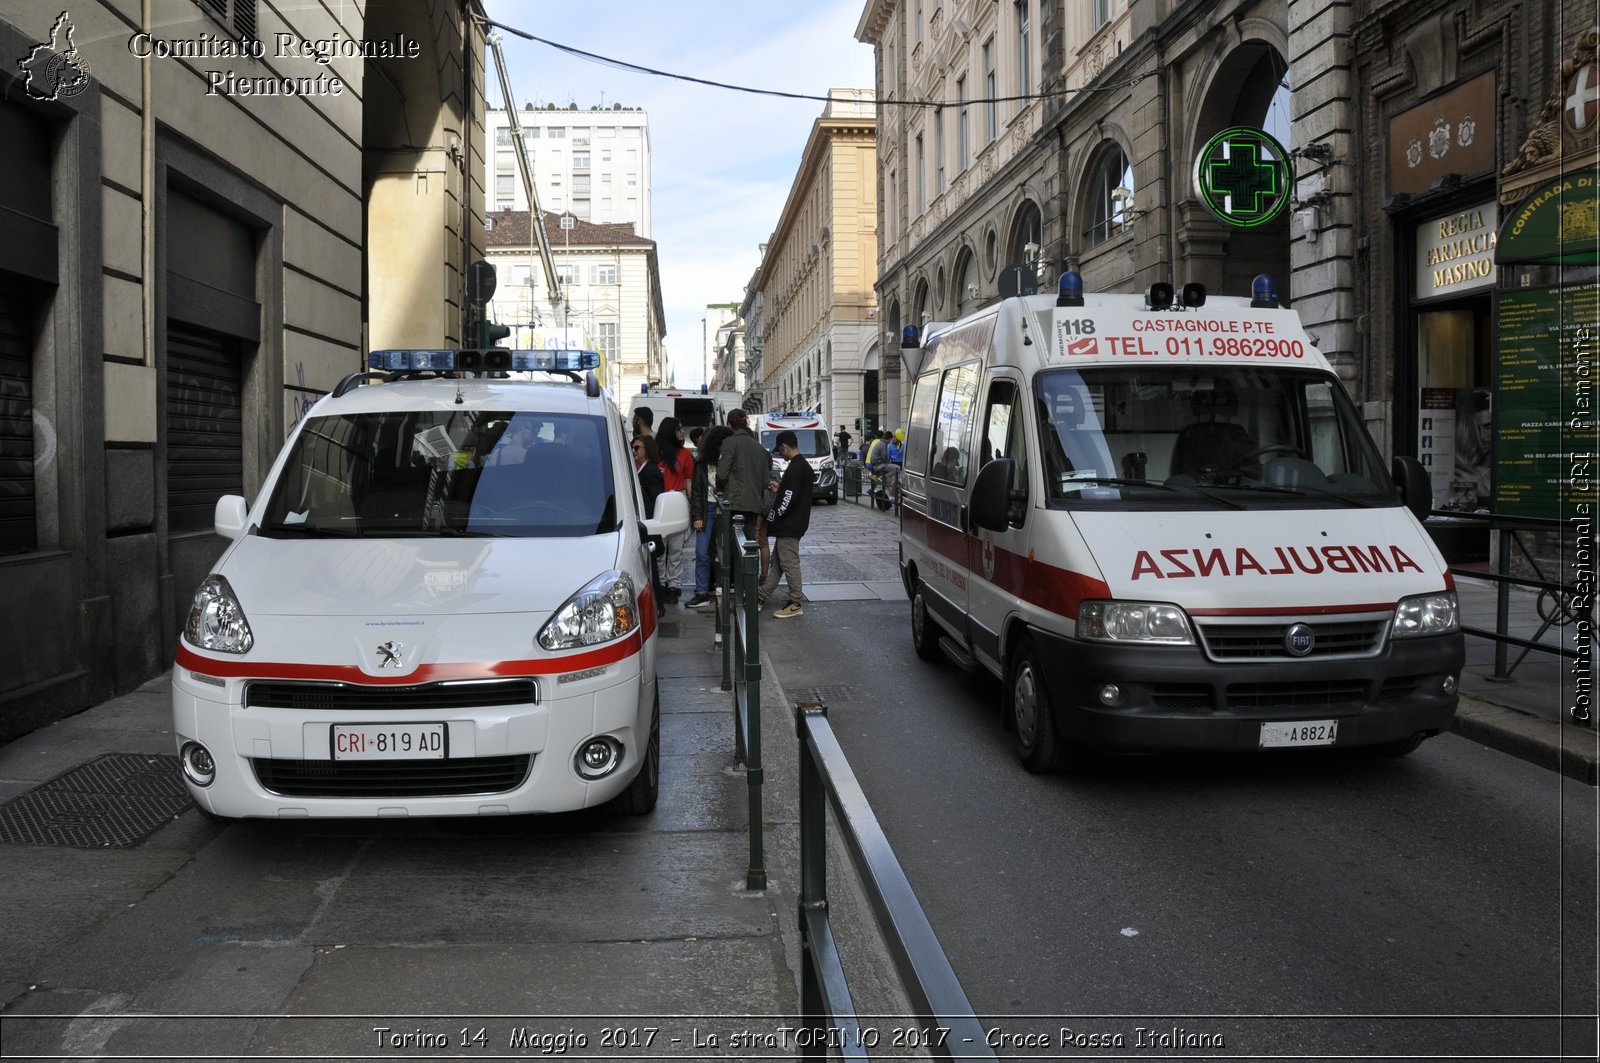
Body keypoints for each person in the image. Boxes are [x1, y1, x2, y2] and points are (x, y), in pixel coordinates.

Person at [760, 430, 815, 619]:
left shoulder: (795, 468)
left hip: (789, 525)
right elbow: (792, 493)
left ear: (784, 446)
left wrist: (775, 518)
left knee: (789, 563)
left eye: (780, 451)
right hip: (796, 523)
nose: (781, 455)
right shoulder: (803, 467)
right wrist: (780, 488)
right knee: (778, 564)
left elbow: (788, 500)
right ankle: (761, 596)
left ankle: (794, 602)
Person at [717, 408, 773, 581]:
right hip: (754, 504)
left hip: (734, 503)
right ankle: (750, 585)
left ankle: (734, 584)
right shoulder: (760, 448)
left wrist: (721, 488)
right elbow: (765, 482)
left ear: (730, 424)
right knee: (750, 545)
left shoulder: (729, 442)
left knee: (732, 546)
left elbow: (722, 474)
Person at [685, 425, 732, 610]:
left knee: (724, 553)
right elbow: (696, 491)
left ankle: (722, 589)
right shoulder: (702, 463)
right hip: (707, 509)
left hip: (725, 509)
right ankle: (702, 591)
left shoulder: (729, 461)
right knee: (702, 551)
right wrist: (697, 515)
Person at [655, 417, 694, 604]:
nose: (682, 432)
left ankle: (674, 585)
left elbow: (688, 480)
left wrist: (692, 504)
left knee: (677, 548)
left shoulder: (685, 453)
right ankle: (661, 583)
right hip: (660, 502)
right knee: (660, 548)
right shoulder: (656, 453)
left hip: (678, 499)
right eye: (679, 429)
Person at [632, 435, 666, 614]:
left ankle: (658, 606)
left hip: (648, 525)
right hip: (643, 522)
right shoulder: (642, 469)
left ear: (647, 450)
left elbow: (656, 499)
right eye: (633, 447)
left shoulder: (650, 470)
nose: (634, 451)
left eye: (637, 448)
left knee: (651, 568)